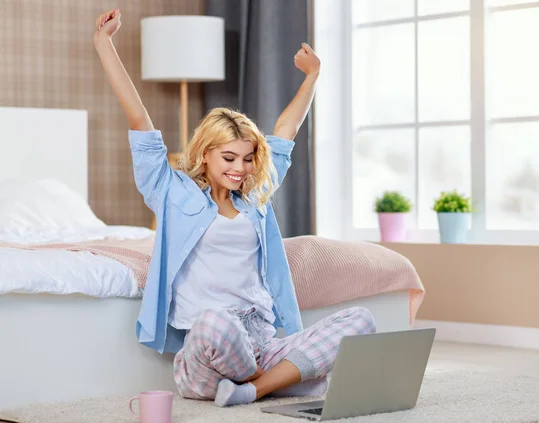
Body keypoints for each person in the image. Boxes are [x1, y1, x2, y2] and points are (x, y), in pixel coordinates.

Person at [93, 8, 376, 407]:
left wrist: (313, 76)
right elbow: (138, 116)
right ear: (205, 153)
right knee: (214, 320)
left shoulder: (256, 195)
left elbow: (286, 131)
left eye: (247, 158)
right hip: (207, 351)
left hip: (260, 341)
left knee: (361, 320)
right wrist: (103, 44)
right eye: (228, 158)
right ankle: (278, 381)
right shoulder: (170, 190)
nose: (240, 169)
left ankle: (252, 389)